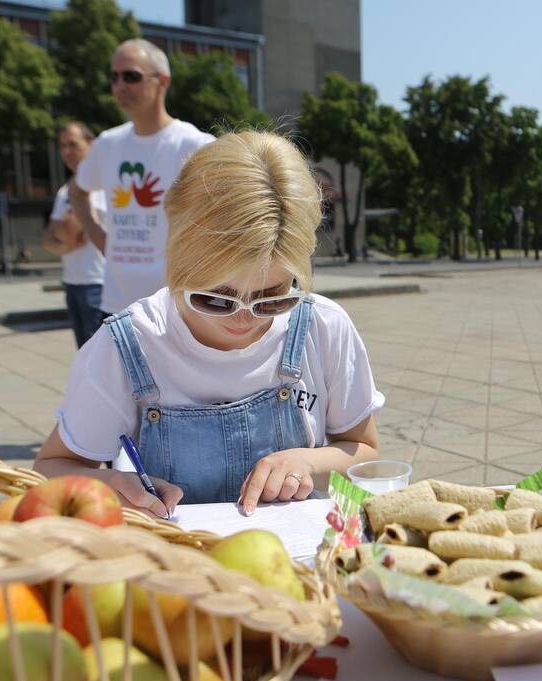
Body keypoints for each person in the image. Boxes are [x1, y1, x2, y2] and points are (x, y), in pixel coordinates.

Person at [33, 131, 384, 519]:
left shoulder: (321, 325)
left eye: (273, 298)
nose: (243, 318)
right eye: (216, 298)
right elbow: (51, 469)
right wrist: (112, 486)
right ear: (180, 259)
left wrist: (307, 462)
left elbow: (364, 453)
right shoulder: (129, 344)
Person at [70, 38, 214, 319]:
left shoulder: (194, 145)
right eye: (114, 77)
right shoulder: (107, 143)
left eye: (131, 76)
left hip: (174, 309)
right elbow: (78, 191)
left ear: (162, 81)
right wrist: (98, 235)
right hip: (115, 306)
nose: (120, 86)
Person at [42, 122, 107, 348]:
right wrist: (67, 241)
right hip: (72, 282)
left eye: (73, 145)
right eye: (62, 146)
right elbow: (49, 239)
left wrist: (65, 236)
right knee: (84, 355)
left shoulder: (103, 186)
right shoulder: (65, 191)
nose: (66, 152)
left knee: (98, 359)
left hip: (98, 283)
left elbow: (68, 229)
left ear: (91, 144)